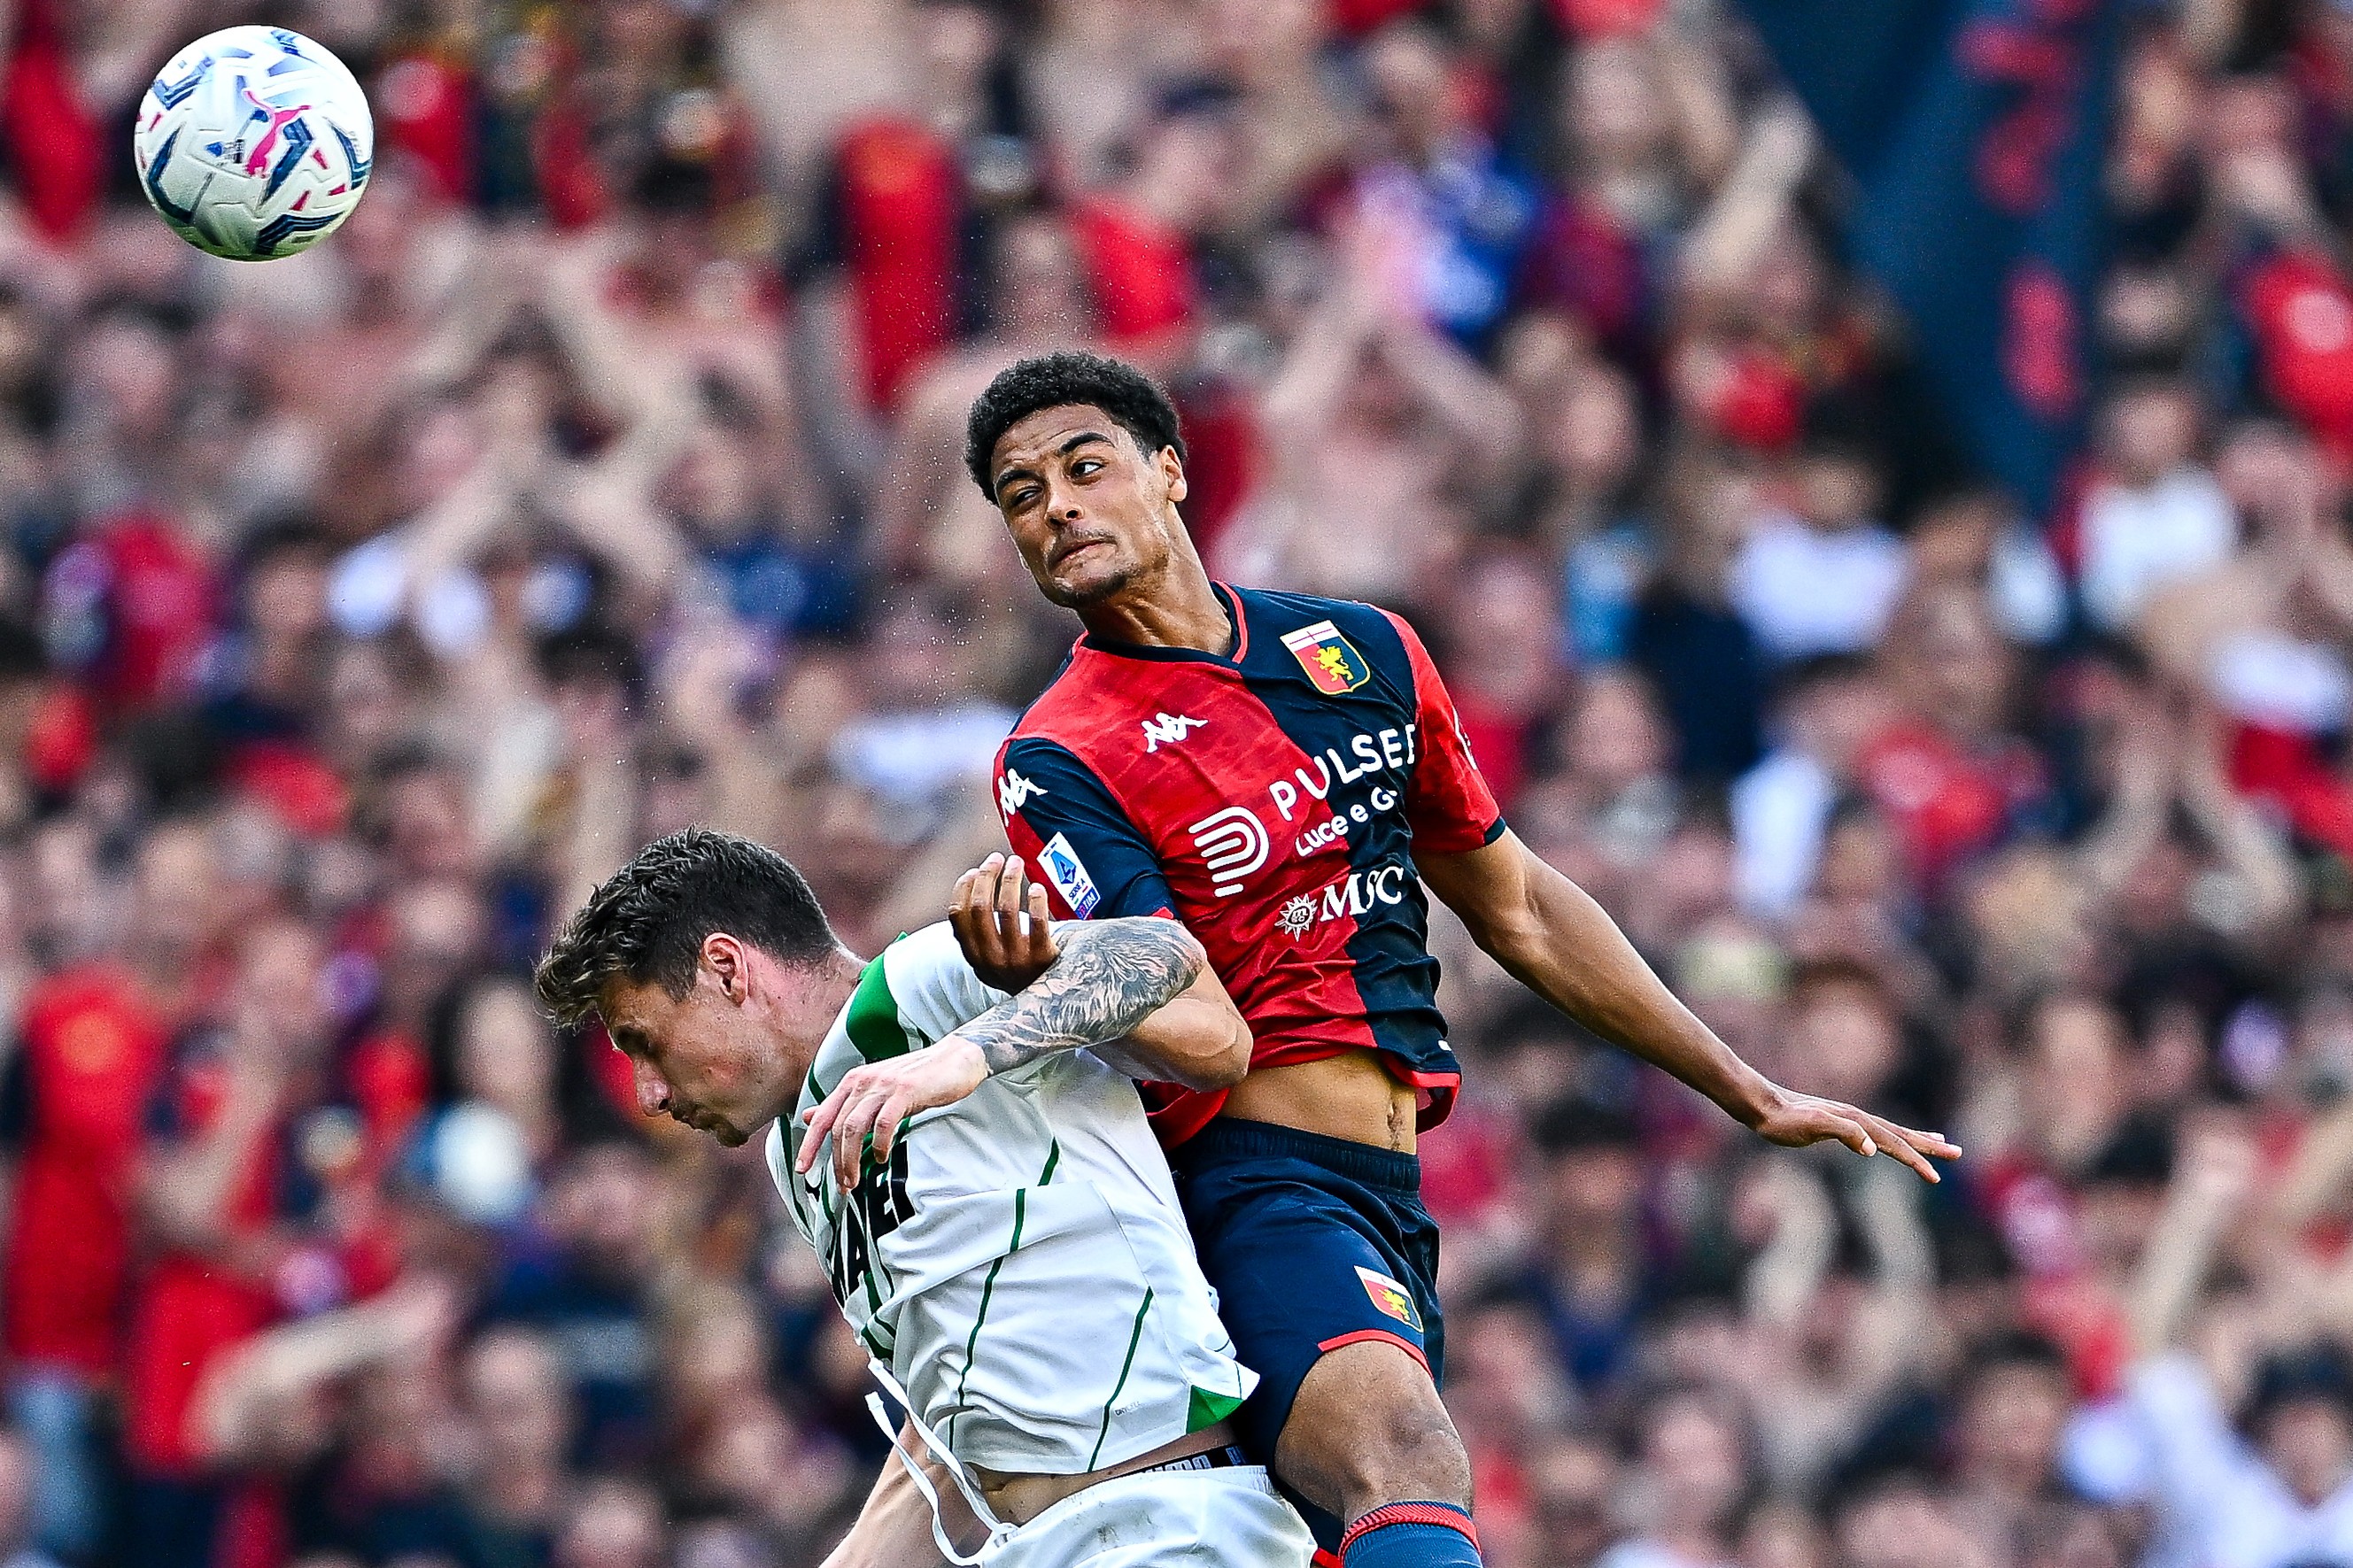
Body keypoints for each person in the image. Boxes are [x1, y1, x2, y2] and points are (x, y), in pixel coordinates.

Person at [878, 351, 1957, 1568]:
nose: (1056, 505)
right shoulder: (1058, 752)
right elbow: (1168, 987)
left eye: (1084, 467)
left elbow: (1523, 906)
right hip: (1245, 1189)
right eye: (1021, 495)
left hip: (1388, 1202)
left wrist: (1748, 1088)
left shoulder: (1365, 652)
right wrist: (1024, 995)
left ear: (1170, 472)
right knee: (1409, 1455)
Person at [531, 828, 1313, 1568]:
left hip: (1167, 1524)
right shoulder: (796, 1150)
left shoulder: (917, 986)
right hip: (1034, 1544)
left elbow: (1169, 964)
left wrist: (968, 1052)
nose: (648, 1092)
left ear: (728, 970)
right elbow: (944, 1423)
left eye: (643, 1040)